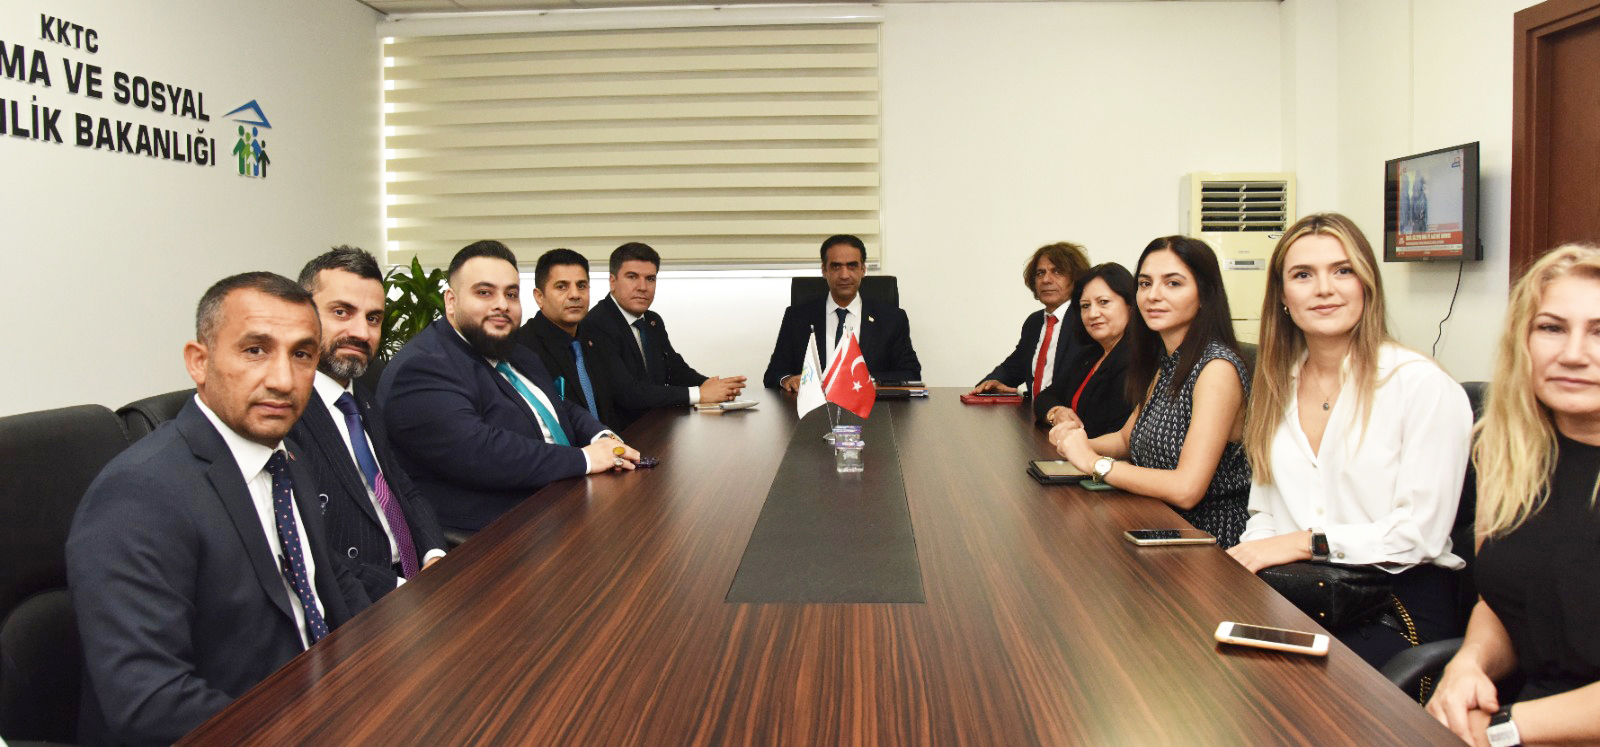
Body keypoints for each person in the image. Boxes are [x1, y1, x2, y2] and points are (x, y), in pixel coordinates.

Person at [67, 272, 370, 745]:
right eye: (255, 350)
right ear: (199, 362)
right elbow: (149, 701)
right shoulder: (137, 494)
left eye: (302, 355)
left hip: (332, 703)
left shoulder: (284, 456)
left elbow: (330, 579)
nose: (283, 380)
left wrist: (384, 664)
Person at [1225, 213, 1473, 667]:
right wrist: (1253, 562)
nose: (1324, 289)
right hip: (1302, 594)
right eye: (1303, 275)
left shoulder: (1421, 385)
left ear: (1367, 285)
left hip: (1396, 606)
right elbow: (1265, 512)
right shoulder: (1276, 386)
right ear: (1282, 296)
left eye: (1342, 271)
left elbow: (1419, 534)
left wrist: (1307, 543)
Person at [1427, 244, 1600, 747]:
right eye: (1551, 328)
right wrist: (1469, 663)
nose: (1573, 354)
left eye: (1599, 331)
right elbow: (1509, 601)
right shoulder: (1508, 452)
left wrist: (1508, 728)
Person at [378, 240, 639, 534]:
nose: (502, 304)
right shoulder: (422, 367)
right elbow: (482, 451)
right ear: (451, 301)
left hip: (562, 497)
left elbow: (559, 405)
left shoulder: (516, 351)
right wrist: (586, 458)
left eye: (511, 294)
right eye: (484, 292)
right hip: (498, 532)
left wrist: (602, 436)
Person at [1048, 236, 1251, 547]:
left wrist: (1094, 463)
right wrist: (1072, 444)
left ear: (1204, 294)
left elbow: (1186, 489)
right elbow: (1125, 439)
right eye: (1145, 284)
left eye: (1173, 283)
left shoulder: (1217, 367)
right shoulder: (1168, 362)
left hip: (1204, 540)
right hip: (1153, 523)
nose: (1153, 295)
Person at [291, 246, 448, 601]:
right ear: (302, 312)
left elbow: (403, 489)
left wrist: (435, 555)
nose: (361, 332)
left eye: (373, 318)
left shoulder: (361, 397)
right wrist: (402, 591)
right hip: (362, 599)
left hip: (415, 577)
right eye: (342, 312)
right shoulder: (285, 411)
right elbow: (304, 545)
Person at [585, 242, 746, 428]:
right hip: (623, 434)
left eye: (650, 279)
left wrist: (714, 386)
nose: (642, 287)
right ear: (613, 282)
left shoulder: (652, 321)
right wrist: (700, 394)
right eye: (632, 277)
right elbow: (628, 393)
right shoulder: (597, 323)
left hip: (658, 425)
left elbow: (675, 369)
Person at [764, 234, 921, 391]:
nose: (844, 275)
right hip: (815, 406)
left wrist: (863, 381)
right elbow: (774, 374)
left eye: (852, 266)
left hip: (872, 405)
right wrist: (788, 380)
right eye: (836, 266)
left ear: (863, 270)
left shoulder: (891, 319)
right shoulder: (797, 317)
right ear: (824, 270)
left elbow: (911, 374)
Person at [513, 248, 642, 430]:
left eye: (581, 286)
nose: (575, 295)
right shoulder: (522, 348)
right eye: (562, 286)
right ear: (539, 297)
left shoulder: (596, 337)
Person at [971, 242, 1091, 398]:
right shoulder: (1034, 322)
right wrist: (993, 382)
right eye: (1040, 273)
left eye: (1057, 272)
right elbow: (1014, 367)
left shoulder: (1086, 320)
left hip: (1070, 412)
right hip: (1033, 411)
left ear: (1076, 278)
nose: (1046, 280)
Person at [1034, 262, 1136, 438]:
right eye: (1085, 306)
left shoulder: (1135, 359)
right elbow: (1045, 397)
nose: (1093, 314)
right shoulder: (1089, 355)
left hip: (1099, 454)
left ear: (1130, 306)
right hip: (1070, 450)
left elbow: (1117, 434)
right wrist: (1056, 413)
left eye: (1103, 302)